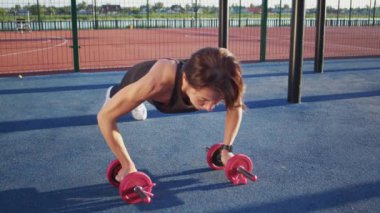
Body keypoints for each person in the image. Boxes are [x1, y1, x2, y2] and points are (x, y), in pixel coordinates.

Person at [98, 47, 246, 182]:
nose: (209, 108)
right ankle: (115, 93)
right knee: (122, 104)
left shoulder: (225, 80)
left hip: (159, 89)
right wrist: (127, 165)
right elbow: (104, 117)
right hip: (137, 79)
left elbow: (235, 107)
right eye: (204, 100)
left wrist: (227, 150)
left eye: (217, 101)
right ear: (185, 79)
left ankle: (134, 101)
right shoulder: (157, 82)